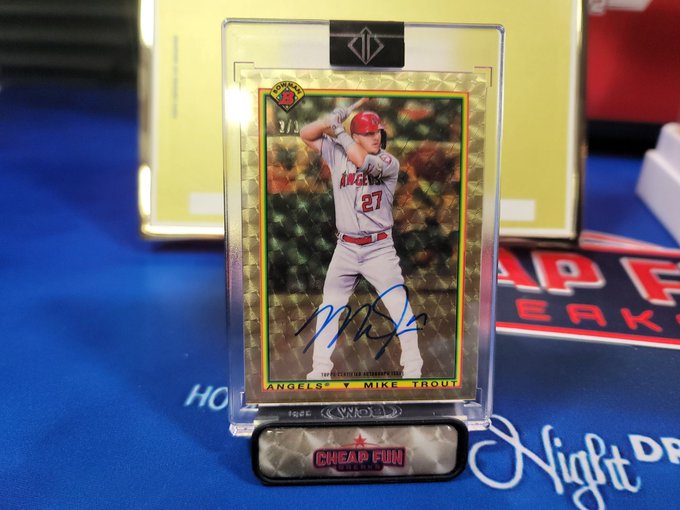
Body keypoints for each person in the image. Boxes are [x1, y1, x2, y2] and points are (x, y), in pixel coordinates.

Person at [299, 105, 423, 380]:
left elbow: (362, 161)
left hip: (378, 248)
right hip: (346, 247)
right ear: (357, 136)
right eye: (368, 133)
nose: (375, 137)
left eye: (377, 132)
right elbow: (305, 133)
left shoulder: (388, 162)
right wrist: (330, 117)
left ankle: (414, 367)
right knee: (330, 306)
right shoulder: (337, 153)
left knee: (398, 304)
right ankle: (320, 369)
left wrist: (338, 129)